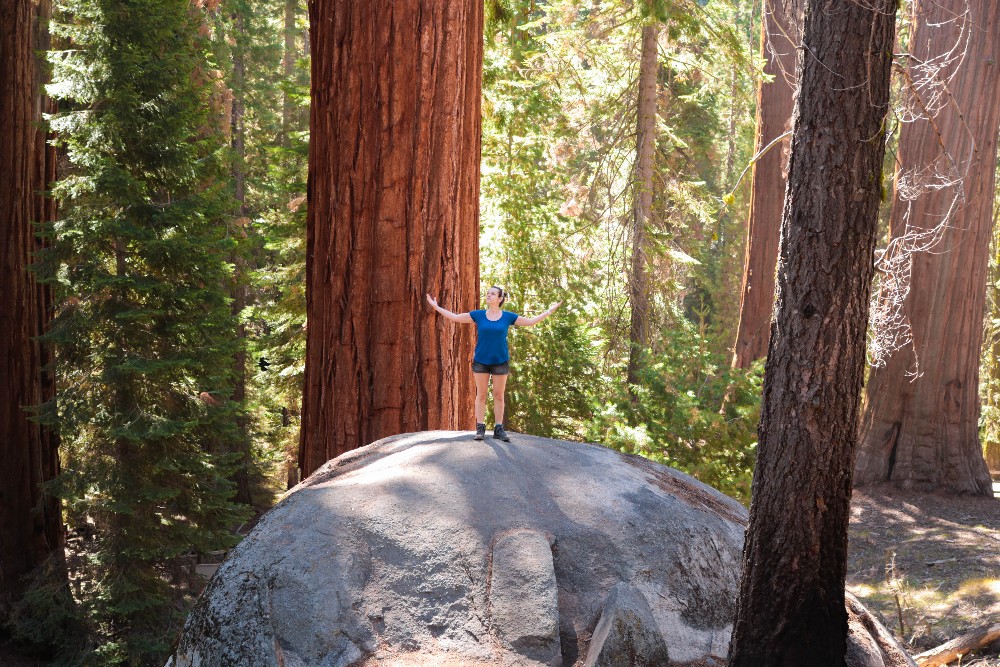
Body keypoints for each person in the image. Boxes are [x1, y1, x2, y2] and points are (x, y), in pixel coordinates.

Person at [426, 286, 561, 442]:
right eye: (488, 293)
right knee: (481, 394)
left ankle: (498, 429)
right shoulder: (478, 315)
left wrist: (549, 311)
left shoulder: (508, 317)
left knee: (498, 395)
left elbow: (530, 322)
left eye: (492, 294)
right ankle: (480, 428)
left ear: (500, 299)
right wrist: (436, 307)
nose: (488, 295)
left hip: (500, 361)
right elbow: (456, 317)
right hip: (481, 361)